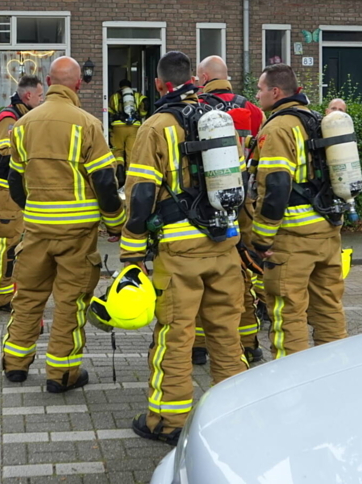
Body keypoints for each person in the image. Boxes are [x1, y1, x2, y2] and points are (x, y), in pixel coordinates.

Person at [120, 51, 248, 446]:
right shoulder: (219, 119)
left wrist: (131, 253)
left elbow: (141, 195)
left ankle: (168, 421)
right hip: (223, 242)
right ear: (194, 79)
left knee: (176, 334)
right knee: (225, 332)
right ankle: (237, 413)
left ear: (160, 84)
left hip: (180, 250)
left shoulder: (155, 127)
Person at [1, 57, 125, 393]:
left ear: (48, 82)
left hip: (36, 231)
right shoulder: (87, 124)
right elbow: (105, 182)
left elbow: (15, 182)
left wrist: (35, 211)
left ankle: (15, 364)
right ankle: (62, 374)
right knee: (70, 303)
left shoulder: (23, 125)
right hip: (77, 235)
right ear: (78, 84)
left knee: (28, 298)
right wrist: (116, 224)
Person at [246, 63, 346, 359]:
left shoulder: (278, 128)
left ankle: (292, 383)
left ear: (275, 92)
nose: (257, 95)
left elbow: (275, 187)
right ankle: (336, 373)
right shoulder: (315, 119)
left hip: (292, 240)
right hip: (327, 233)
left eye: (260, 89)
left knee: (288, 314)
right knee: (329, 309)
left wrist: (261, 239)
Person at [191, 55, 264, 366]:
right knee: (240, 271)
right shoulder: (252, 109)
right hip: (242, 201)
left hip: (201, 205)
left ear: (204, 77)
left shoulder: (194, 107)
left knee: (199, 276)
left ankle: (198, 346)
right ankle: (248, 343)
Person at [0, 76, 45, 312]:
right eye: (40, 95)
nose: (42, 100)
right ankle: (2, 297)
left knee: (19, 244)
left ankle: (14, 291)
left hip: (17, 191)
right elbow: (2, 153)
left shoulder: (23, 117)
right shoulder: (9, 119)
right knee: (6, 244)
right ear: (28, 96)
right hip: (5, 191)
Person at [108, 79, 149, 185]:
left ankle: (119, 169)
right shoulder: (138, 96)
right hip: (134, 127)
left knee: (118, 150)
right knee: (131, 152)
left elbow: (109, 112)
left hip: (118, 127)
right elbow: (145, 106)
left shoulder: (114, 97)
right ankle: (130, 178)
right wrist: (140, 115)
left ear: (120, 87)